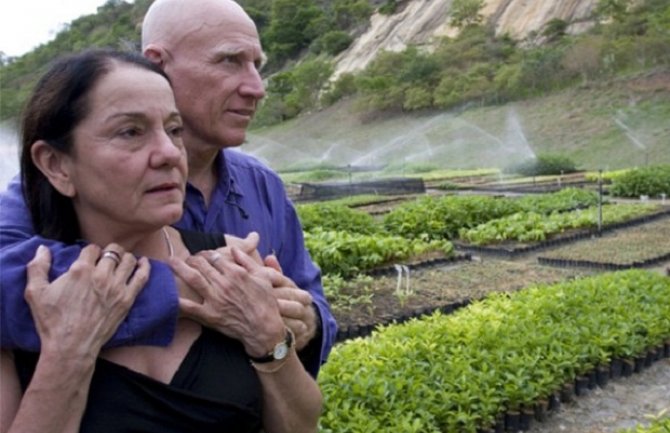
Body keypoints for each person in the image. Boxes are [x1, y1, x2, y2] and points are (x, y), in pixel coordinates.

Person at [0, 0, 336, 377]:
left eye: (257, 65)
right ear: (158, 63)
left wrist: (306, 320)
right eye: (229, 61)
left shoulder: (264, 186)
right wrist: (189, 287)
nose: (256, 88)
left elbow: (313, 301)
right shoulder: (61, 187)